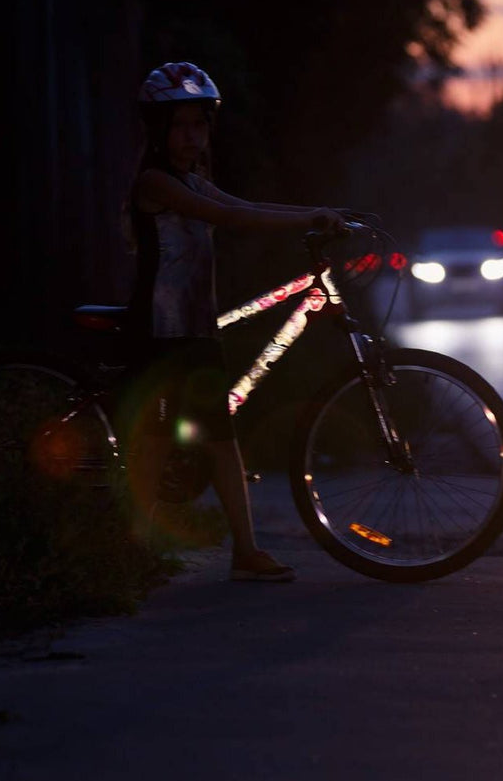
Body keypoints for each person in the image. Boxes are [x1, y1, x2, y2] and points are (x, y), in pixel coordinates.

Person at [124, 61, 344, 582]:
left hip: (195, 331)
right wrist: (308, 219)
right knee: (156, 439)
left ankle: (245, 552)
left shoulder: (194, 180)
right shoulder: (156, 183)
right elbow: (232, 217)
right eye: (179, 126)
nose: (190, 136)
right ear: (157, 131)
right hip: (159, 332)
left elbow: (244, 204)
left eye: (199, 125)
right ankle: (130, 551)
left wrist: (317, 212)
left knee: (221, 439)